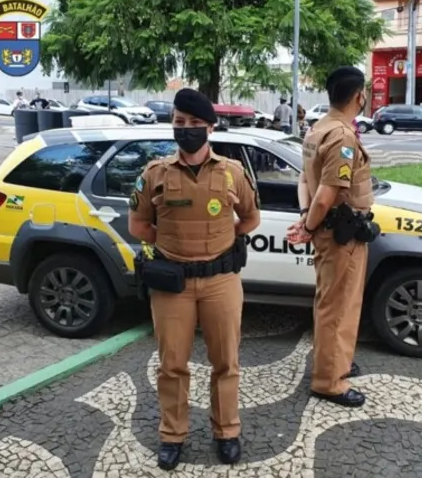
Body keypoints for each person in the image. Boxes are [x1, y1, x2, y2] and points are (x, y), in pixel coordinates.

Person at [128, 88, 261, 471]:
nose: (186, 130)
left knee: (226, 362)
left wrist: (222, 238)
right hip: (174, 286)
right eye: (179, 123)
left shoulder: (232, 172)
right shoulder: (154, 174)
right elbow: (139, 224)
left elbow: (251, 218)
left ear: (210, 128)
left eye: (194, 124)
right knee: (172, 365)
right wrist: (173, 245)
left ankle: (227, 431)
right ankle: (172, 436)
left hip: (221, 281)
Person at [287, 66, 374, 408]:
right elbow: (325, 194)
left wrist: (306, 220)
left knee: (340, 305)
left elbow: (303, 182)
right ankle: (328, 381)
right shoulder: (341, 137)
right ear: (358, 96)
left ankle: (338, 362)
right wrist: (309, 225)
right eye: (364, 92)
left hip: (333, 231)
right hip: (341, 236)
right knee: (336, 308)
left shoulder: (316, 131)